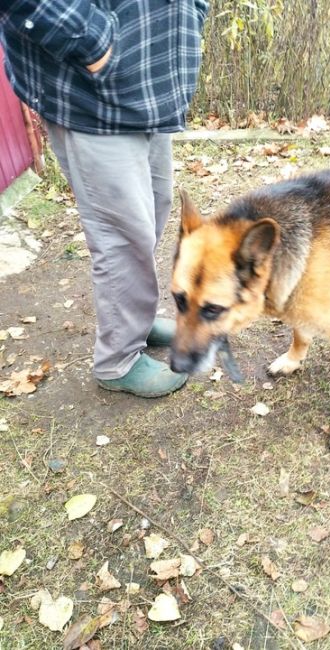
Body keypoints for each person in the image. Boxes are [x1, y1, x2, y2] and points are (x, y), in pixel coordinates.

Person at [0, 0, 209, 397]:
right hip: (89, 89)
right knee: (122, 233)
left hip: (150, 77)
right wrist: (91, 39)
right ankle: (117, 360)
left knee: (152, 207)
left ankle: (135, 320)